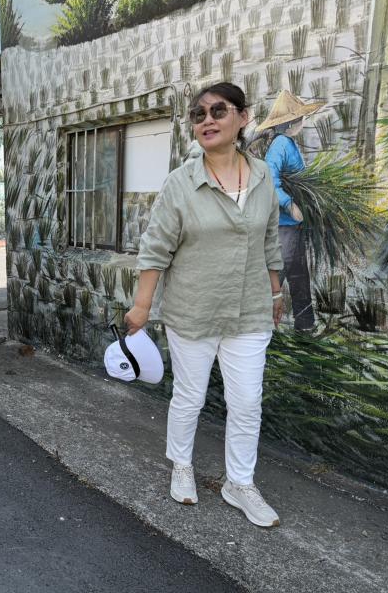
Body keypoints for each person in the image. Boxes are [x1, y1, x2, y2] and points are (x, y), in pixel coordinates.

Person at [125, 82, 284, 528]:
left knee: (247, 402)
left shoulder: (263, 176)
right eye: (198, 114)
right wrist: (142, 307)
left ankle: (240, 483)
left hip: (249, 309)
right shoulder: (181, 184)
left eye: (218, 110)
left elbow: (270, 238)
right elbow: (155, 249)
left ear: (242, 117)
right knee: (190, 396)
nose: (207, 120)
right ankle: (181, 465)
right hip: (193, 310)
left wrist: (275, 290)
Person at [256, 90, 323, 332]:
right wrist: (290, 204)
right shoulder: (279, 145)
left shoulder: (289, 143)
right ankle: (256, 328)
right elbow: (270, 183)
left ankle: (305, 325)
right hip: (284, 226)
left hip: (294, 227)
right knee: (277, 275)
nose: (303, 122)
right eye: (301, 118)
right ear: (292, 122)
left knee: (299, 277)